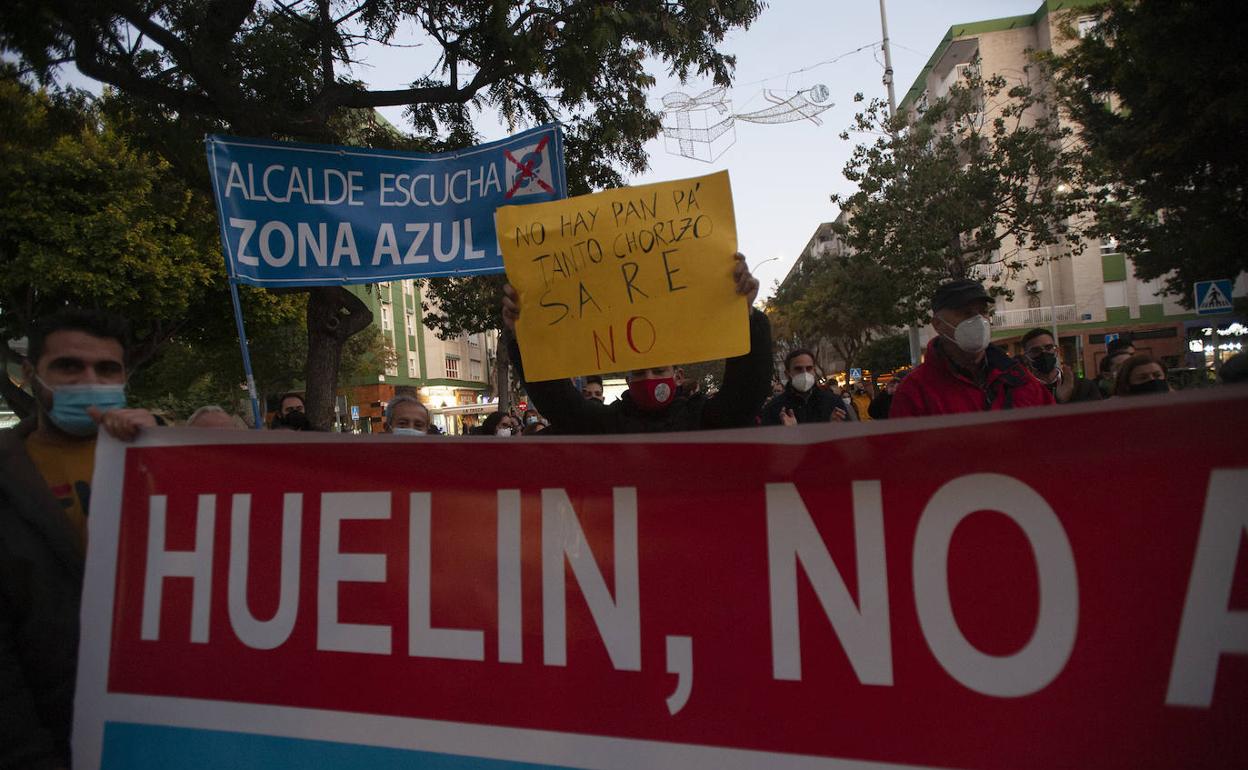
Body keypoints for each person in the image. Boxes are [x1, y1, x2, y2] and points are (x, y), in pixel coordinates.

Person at [1, 309, 158, 769]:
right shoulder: (9, 480)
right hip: (47, 734)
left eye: (106, 369)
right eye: (69, 367)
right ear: (31, 376)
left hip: (156, 723)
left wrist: (168, 453)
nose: (89, 379)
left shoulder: (160, 460)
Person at [500, 253, 772, 433]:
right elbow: (558, 403)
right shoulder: (608, 423)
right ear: (628, 381)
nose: (649, 378)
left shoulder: (703, 418)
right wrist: (523, 336)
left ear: (676, 376)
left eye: (658, 370)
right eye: (640, 373)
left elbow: (746, 394)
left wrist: (746, 316)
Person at [891, 279, 1054, 417]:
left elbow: (1053, 433)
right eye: (966, 313)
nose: (979, 320)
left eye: (983, 312)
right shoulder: (915, 391)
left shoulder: (1018, 378)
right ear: (938, 324)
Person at [760, 348, 844, 425]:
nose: (805, 373)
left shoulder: (833, 403)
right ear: (787, 373)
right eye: (798, 369)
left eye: (809, 368)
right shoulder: (774, 408)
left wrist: (833, 428)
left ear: (814, 371)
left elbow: (849, 438)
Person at [1018, 328, 1101, 404]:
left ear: (1056, 351)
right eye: (1036, 350)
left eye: (1048, 347)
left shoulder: (1083, 386)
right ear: (1026, 357)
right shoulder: (1022, 393)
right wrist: (1059, 402)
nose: (1044, 353)